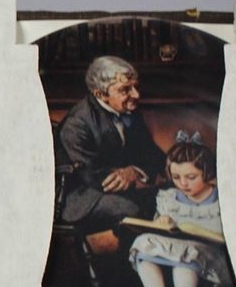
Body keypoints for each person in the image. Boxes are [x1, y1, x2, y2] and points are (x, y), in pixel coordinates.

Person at [130, 133, 231, 287]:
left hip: (211, 255)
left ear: (207, 172)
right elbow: (161, 228)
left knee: (186, 258)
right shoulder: (170, 198)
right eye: (176, 177)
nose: (183, 184)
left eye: (191, 177)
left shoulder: (222, 197)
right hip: (176, 247)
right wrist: (162, 222)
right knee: (142, 242)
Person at [57, 55, 166, 229]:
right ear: (100, 94)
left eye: (136, 87)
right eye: (125, 90)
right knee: (132, 209)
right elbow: (91, 175)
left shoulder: (130, 112)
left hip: (120, 189)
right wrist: (128, 175)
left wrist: (135, 171)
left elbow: (152, 154)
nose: (136, 95)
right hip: (83, 198)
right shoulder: (77, 123)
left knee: (171, 197)